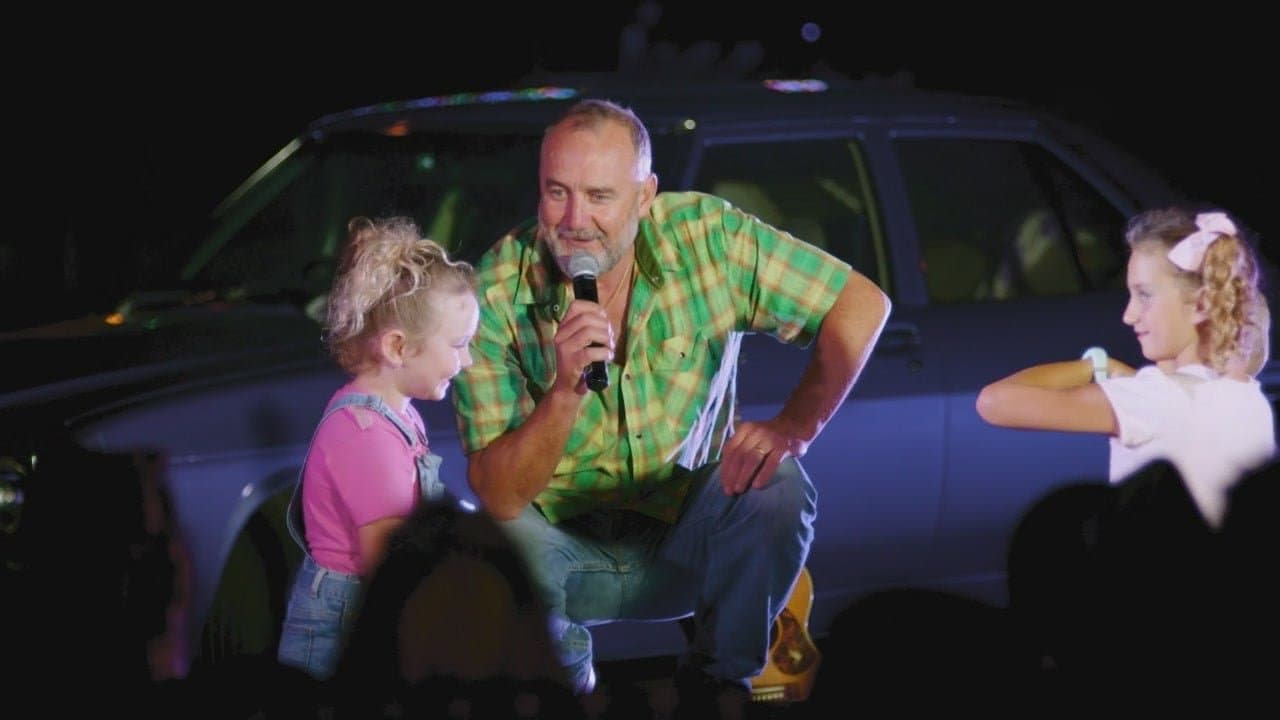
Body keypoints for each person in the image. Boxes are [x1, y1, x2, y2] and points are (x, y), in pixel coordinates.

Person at [450, 98, 891, 712]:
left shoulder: (707, 238)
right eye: (557, 193)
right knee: (490, 538)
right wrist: (564, 393)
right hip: (562, 554)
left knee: (778, 485)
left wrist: (794, 426)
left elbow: (862, 304)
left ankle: (719, 690)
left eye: (599, 196)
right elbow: (499, 497)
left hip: (683, 543)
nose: (575, 220)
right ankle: (557, 695)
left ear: (645, 196)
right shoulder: (496, 289)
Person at [975, 207, 1275, 530]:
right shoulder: (1249, 397)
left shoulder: (1149, 400)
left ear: (1201, 305)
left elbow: (994, 402)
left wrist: (1095, 366)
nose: (1129, 315)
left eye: (1144, 296)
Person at [277, 215, 479, 681]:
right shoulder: (365, 433)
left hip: (367, 618)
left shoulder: (397, 414)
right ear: (397, 347)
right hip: (343, 636)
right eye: (458, 344)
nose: (467, 360)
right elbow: (390, 566)